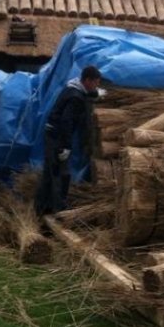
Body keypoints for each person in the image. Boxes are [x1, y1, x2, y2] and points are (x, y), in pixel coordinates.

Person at [36, 65, 102, 215]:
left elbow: (85, 96)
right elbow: (66, 121)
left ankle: (42, 209)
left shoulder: (75, 89)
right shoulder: (75, 97)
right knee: (59, 173)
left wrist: (96, 94)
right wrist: (65, 146)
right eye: (96, 83)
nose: (97, 85)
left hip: (53, 134)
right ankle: (57, 210)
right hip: (56, 137)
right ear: (87, 80)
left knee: (51, 173)